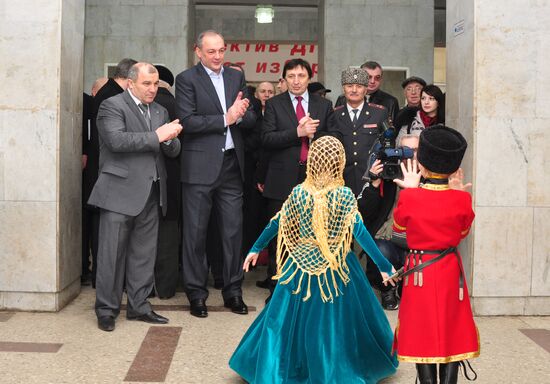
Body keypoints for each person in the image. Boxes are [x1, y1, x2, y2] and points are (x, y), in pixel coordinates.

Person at [229, 136, 398, 383]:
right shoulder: (343, 195)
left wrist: (256, 247)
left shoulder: (300, 192)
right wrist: (384, 266)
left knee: (284, 321)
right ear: (339, 163)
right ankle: (333, 368)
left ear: (312, 162)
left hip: (300, 263)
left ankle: (282, 366)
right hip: (337, 266)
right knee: (338, 324)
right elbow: (360, 233)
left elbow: (276, 223)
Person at [89, 62, 182, 332]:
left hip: (152, 192)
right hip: (119, 191)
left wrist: (170, 139)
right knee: (111, 255)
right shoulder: (112, 106)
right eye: (147, 84)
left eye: (155, 84)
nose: (153, 89)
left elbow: (173, 150)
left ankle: (139, 306)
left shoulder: (161, 109)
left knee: (144, 254)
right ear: (131, 83)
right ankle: (106, 310)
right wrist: (158, 135)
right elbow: (117, 142)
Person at [175, 30, 256, 318]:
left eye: (222, 50)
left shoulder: (236, 77)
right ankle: (196, 294)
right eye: (212, 52)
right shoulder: (186, 80)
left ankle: (233, 291)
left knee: (233, 233)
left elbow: (249, 117)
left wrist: (243, 112)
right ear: (198, 51)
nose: (218, 56)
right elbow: (187, 121)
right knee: (195, 235)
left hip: (232, 166)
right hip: (199, 168)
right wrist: (226, 118)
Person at [391, 126, 479, 384]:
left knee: (421, 331)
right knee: (451, 329)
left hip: (419, 269)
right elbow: (462, 232)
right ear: (453, 169)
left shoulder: (410, 197)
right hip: (450, 270)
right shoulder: (462, 199)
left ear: (423, 165)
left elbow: (399, 231)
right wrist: (458, 194)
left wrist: (409, 191)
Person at [257, 58, 335, 297]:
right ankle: (278, 289)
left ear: (309, 78)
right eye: (291, 76)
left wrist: (313, 136)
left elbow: (332, 139)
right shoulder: (275, 104)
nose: (296, 81)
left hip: (314, 178)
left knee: (311, 232)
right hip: (281, 177)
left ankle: (307, 285)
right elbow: (267, 139)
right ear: (284, 79)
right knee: (280, 234)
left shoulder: (324, 105)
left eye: (301, 76)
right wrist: (297, 132)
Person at [358, 134, 419, 310]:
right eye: (405, 150)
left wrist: (415, 191)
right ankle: (388, 289)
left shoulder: (428, 175)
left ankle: (407, 287)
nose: (409, 155)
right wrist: (374, 183)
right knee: (381, 250)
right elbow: (362, 211)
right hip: (387, 234)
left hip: (416, 236)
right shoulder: (387, 172)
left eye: (414, 150)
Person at [329, 67, 389, 196]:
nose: (354, 90)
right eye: (350, 86)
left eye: (359, 86)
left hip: (371, 178)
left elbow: (387, 145)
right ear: (343, 88)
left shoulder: (379, 113)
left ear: (366, 89)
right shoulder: (334, 114)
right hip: (341, 181)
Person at [152, 64, 181, 299]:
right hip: (175, 180)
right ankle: (167, 287)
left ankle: (146, 287)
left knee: (144, 236)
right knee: (170, 237)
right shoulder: (179, 105)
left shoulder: (149, 106)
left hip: (148, 180)